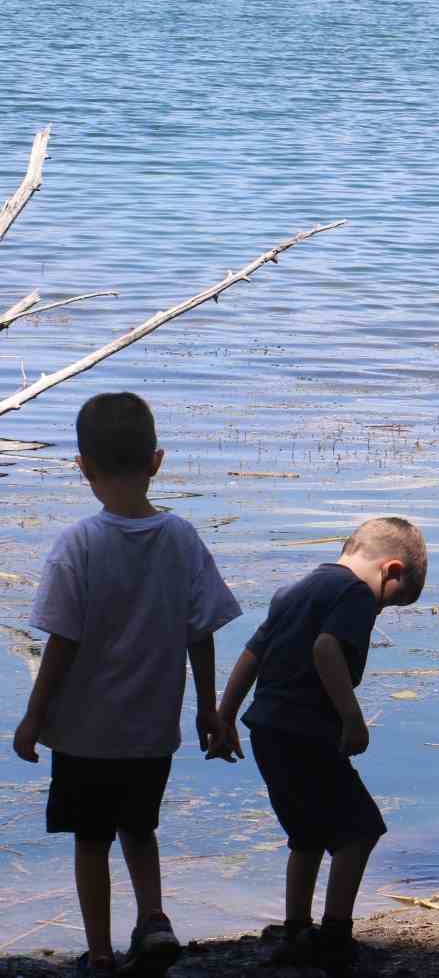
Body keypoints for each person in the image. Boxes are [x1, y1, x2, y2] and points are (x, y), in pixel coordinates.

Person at [11, 392, 241, 975]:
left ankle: (103, 953)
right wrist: (209, 708)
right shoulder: (182, 537)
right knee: (140, 829)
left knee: (90, 841)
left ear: (82, 465)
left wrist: (34, 717)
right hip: (151, 729)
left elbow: (62, 642)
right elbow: (202, 630)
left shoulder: (77, 545)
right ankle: (154, 919)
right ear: (156, 461)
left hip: (84, 734)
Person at [208, 517, 427, 974]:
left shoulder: (295, 590)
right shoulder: (356, 594)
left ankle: (296, 932)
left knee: (306, 835)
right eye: (393, 603)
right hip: (306, 731)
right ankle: (334, 936)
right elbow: (327, 649)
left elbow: (252, 654)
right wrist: (352, 717)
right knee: (360, 829)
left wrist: (224, 715)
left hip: (267, 730)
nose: (381, 612)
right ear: (391, 571)